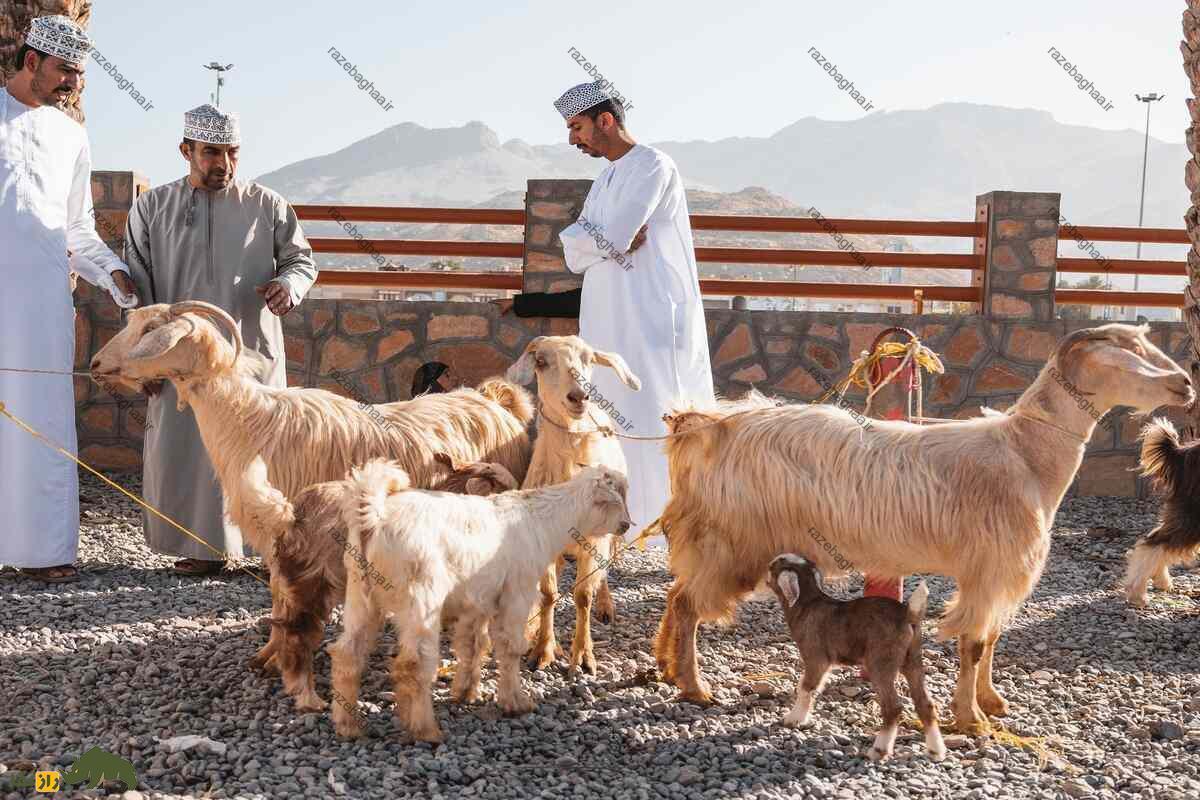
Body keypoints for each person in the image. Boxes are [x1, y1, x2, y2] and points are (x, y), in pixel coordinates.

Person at [503, 81, 714, 540]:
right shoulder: (606, 177)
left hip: (650, 317)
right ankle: (621, 519)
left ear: (605, 120)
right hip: (606, 320)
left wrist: (594, 239)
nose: (572, 139)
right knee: (611, 412)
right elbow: (573, 249)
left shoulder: (654, 165)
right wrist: (593, 240)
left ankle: (663, 525)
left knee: (654, 411)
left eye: (576, 127)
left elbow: (612, 236)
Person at [123, 103, 317, 575]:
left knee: (260, 446)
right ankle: (198, 547)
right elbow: (136, 284)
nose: (223, 164)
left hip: (249, 352)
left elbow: (302, 261)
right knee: (185, 446)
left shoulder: (268, 205)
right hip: (180, 356)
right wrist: (142, 358)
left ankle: (268, 544)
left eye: (232, 153)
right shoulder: (151, 206)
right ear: (186, 150)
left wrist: (288, 286)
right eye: (211, 153)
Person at [0, 15, 137, 583]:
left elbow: (75, 228)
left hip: (39, 308)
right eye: (63, 73)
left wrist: (112, 272)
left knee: (41, 424)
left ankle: (42, 553)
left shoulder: (70, 135)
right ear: (31, 61)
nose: (71, 86)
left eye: (79, 77)